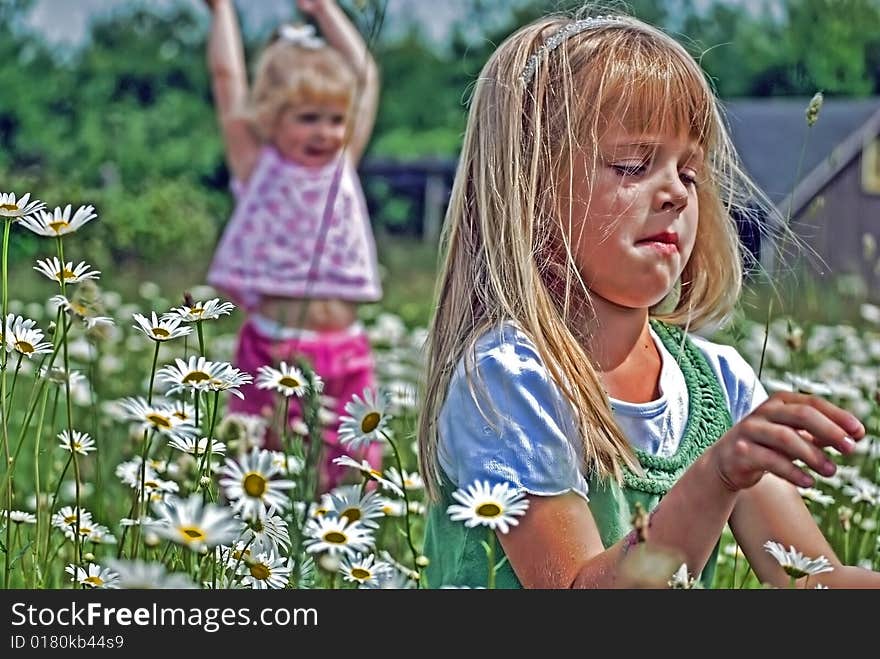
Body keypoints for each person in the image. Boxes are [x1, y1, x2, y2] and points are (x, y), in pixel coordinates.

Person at [417, 9, 880, 589]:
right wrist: (716, 475)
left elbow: (813, 584)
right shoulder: (510, 379)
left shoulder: (721, 385)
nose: (676, 194)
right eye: (634, 165)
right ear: (530, 195)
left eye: (689, 173)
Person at [202, 0, 383, 494]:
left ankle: (344, 569)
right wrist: (221, 12)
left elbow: (365, 76)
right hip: (271, 347)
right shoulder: (257, 166)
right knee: (258, 470)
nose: (325, 132)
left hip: (348, 351)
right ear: (271, 118)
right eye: (308, 118)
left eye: (335, 118)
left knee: (356, 474)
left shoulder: (342, 165)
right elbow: (226, 80)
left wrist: (323, 10)